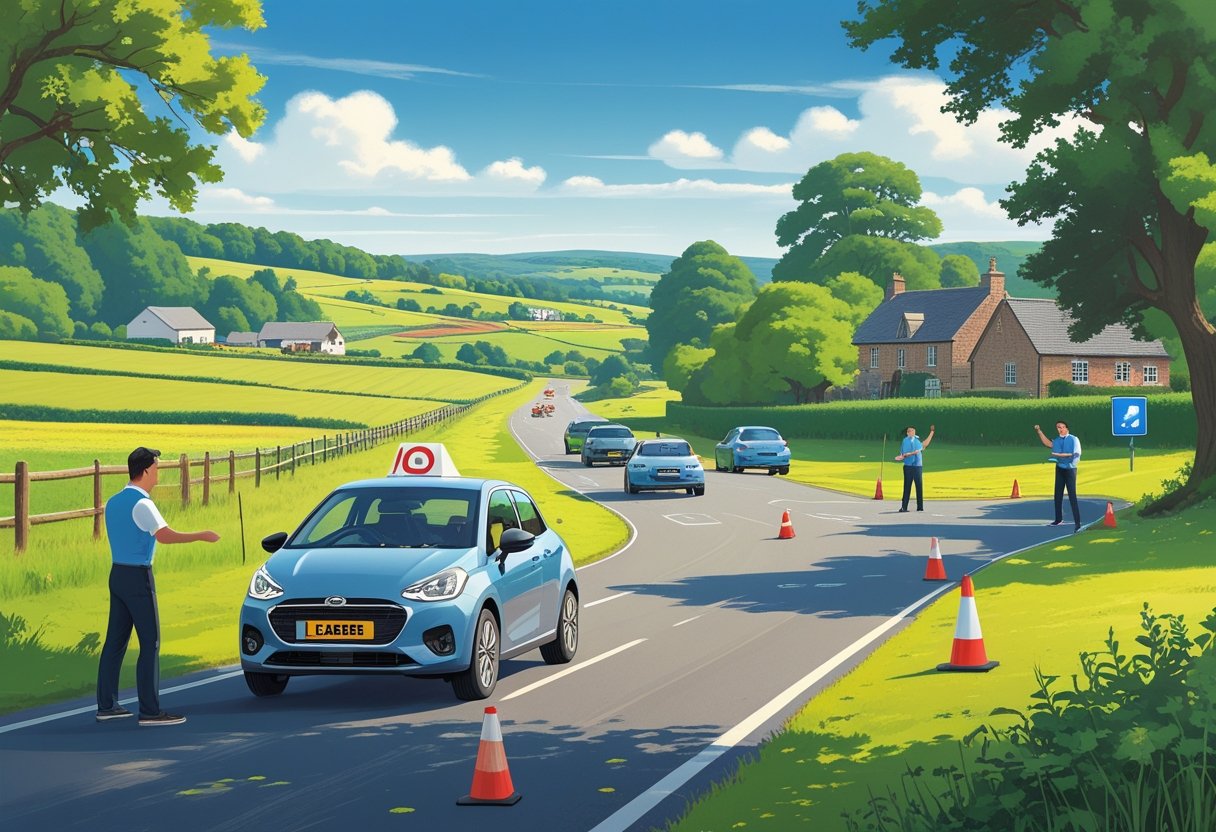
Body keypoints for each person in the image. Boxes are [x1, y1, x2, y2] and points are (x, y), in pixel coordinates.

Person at [96, 447, 220, 726]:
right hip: (139, 577)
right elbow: (165, 536)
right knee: (150, 643)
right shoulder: (143, 504)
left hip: (117, 574)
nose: (159, 473)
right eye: (157, 467)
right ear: (147, 470)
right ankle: (150, 711)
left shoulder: (114, 502)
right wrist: (202, 535)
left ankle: (106, 705)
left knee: (115, 642)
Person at [1035, 422, 1082, 531]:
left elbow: (1073, 454)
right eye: (1058, 427)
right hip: (1060, 468)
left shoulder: (1074, 439)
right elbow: (1048, 443)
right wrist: (1039, 432)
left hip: (1070, 469)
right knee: (1057, 494)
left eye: (1062, 427)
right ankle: (1058, 519)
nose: (1060, 429)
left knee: (1072, 495)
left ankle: (1077, 523)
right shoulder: (1057, 440)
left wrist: (1058, 455)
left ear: (1067, 428)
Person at [895, 424, 935, 512]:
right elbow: (906, 453)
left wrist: (931, 433)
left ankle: (920, 507)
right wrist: (904, 456)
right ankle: (904, 507)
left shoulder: (917, 440)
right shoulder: (905, 441)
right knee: (907, 486)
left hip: (917, 466)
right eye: (909, 431)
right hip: (908, 466)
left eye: (912, 430)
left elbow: (924, 444)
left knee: (919, 486)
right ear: (907, 433)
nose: (911, 432)